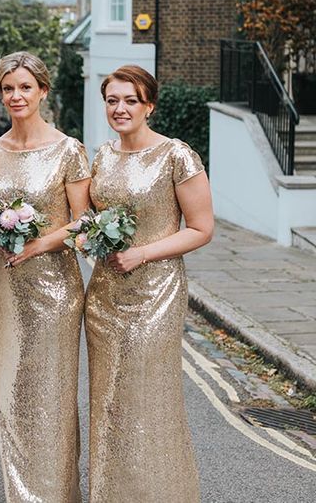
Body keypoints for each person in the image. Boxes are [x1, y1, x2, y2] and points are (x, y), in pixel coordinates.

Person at [85, 65, 214, 502]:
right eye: (112, 100)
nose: (120, 109)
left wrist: (142, 252)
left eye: (130, 100)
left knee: (148, 399)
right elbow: (86, 221)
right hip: (103, 295)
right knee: (109, 400)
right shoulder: (101, 156)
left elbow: (201, 228)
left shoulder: (176, 155)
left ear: (149, 105)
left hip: (155, 294)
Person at [0, 52, 90, 503]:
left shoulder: (69, 150)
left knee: (51, 396)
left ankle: (56, 493)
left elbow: (84, 223)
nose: (16, 96)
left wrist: (39, 243)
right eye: (9, 88)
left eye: (25, 87)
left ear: (43, 91)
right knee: (10, 395)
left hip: (55, 291)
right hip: (5, 289)